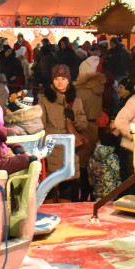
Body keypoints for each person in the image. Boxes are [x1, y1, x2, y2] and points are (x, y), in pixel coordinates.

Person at [40, 64, 88, 196]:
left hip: (70, 148)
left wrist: (74, 120)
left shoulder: (76, 100)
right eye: (56, 79)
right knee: (49, 189)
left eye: (63, 78)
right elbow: (41, 126)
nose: (60, 82)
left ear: (68, 80)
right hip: (52, 149)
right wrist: (47, 145)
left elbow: (84, 125)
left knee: (68, 189)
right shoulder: (44, 100)